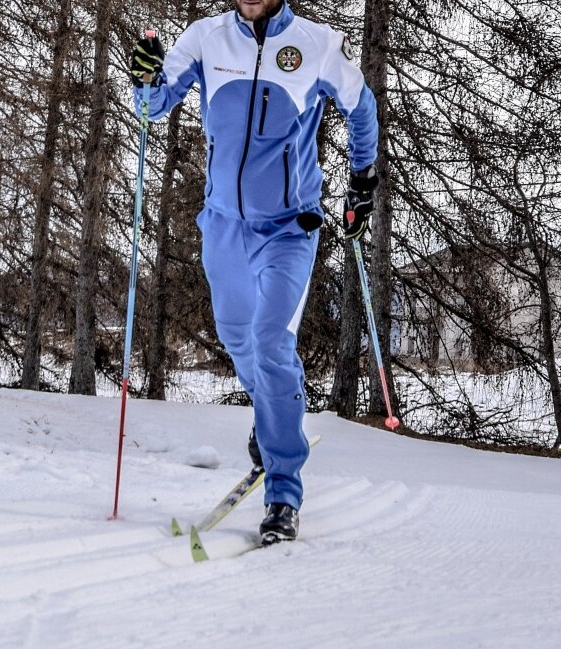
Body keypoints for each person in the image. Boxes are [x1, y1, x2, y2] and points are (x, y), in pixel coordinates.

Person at [128, 0, 380, 544]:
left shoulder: (315, 44)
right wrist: (144, 76)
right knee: (237, 337)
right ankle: (271, 415)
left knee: (270, 343)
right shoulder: (205, 38)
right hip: (223, 225)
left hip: (289, 227)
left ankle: (283, 489)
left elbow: (361, 106)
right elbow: (153, 104)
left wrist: (363, 177)